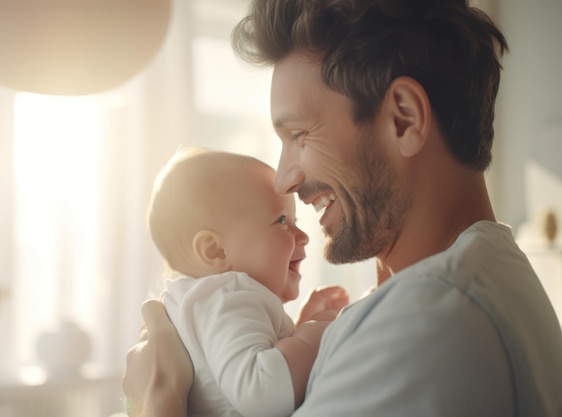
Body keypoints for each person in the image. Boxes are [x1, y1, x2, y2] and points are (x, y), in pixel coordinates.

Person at [123, 0, 562, 416]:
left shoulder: (427, 320)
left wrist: (157, 399)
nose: (284, 179)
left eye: (298, 135)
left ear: (403, 120)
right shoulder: (485, 272)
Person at [134, 147, 349, 417]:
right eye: (281, 220)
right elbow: (261, 393)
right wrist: (318, 334)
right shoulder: (226, 295)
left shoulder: (206, 303)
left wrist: (299, 328)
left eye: (293, 220)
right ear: (216, 251)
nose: (303, 235)